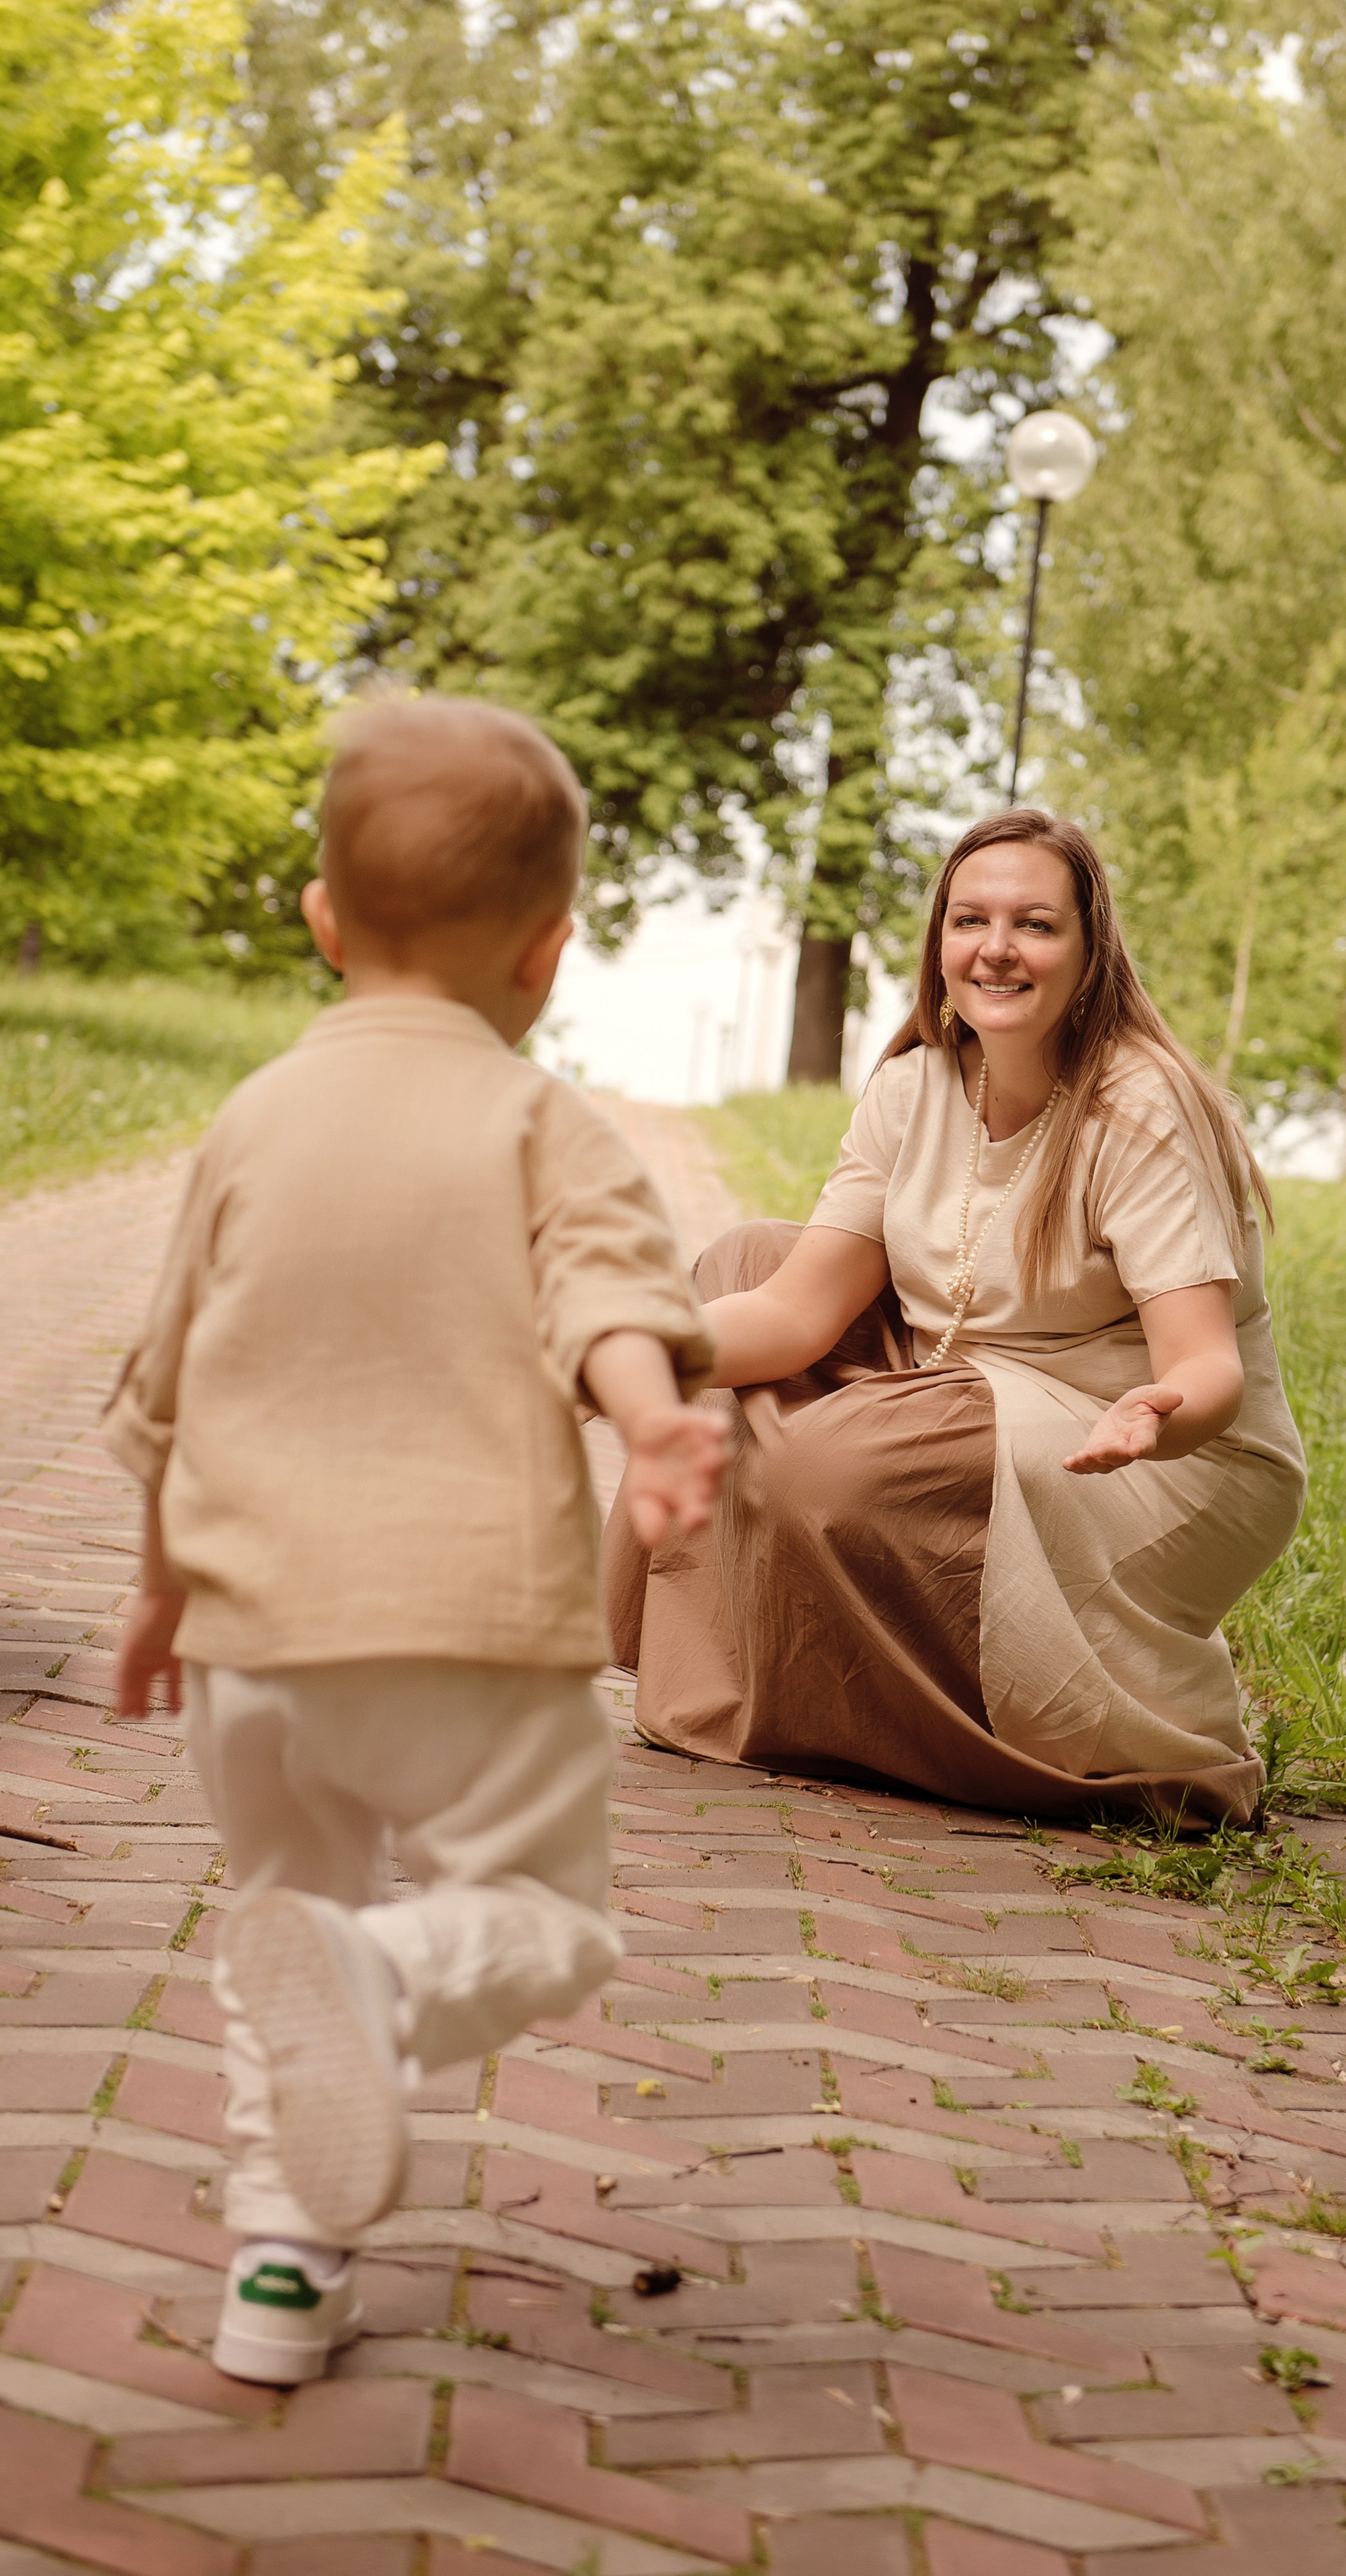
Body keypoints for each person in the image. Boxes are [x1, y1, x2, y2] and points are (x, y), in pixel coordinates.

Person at [104, 697, 726, 2386]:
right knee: (535, 1919)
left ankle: (281, 2278)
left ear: (320, 920)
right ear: (549, 946)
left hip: (253, 1632)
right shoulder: (543, 1124)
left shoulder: (250, 1121)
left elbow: (164, 1377)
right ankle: (387, 1982)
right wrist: (648, 1408)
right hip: (463, 1625)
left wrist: (163, 1587)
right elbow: (606, 1289)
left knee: (279, 1916)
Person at [606, 809, 1305, 1827]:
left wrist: (1157, 1415)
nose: (999, 949)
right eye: (971, 920)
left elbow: (1206, 1369)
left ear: (1090, 950)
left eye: (1036, 924)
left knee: (824, 1464)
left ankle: (927, 1707)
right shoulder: (915, 1086)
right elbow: (795, 1312)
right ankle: (757, 1666)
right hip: (962, 1374)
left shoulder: (1140, 1106)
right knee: (741, 1262)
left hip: (1157, 1440)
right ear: (939, 944)